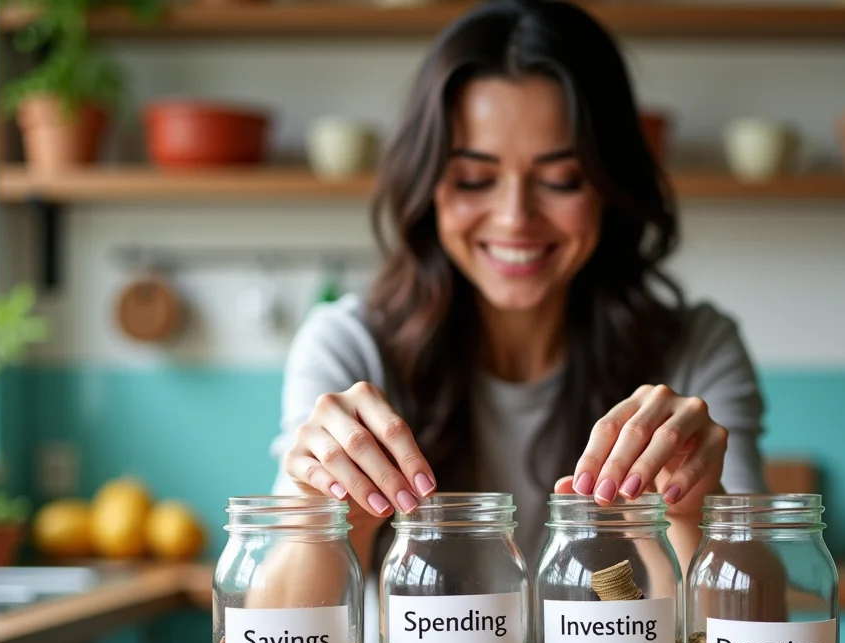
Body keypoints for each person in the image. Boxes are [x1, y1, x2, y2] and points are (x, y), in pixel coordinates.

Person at [270, 0, 766, 574]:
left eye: (560, 179)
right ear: (427, 184)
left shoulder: (697, 351)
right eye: (475, 179)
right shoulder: (347, 349)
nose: (514, 218)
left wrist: (694, 510)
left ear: (611, 184)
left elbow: (756, 627)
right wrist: (321, 518)